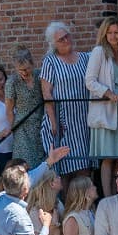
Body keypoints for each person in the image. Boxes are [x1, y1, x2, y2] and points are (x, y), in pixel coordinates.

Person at [85, 15, 118, 196]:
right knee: (107, 158)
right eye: (110, 33)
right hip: (107, 108)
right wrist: (107, 93)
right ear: (104, 34)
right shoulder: (99, 52)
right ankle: (107, 197)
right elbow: (89, 81)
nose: (114, 36)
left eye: (117, 33)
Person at [40, 21, 92, 176]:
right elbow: (47, 93)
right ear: (53, 44)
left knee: (84, 165)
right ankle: (65, 201)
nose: (66, 40)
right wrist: (54, 122)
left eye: (67, 36)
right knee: (64, 167)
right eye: (61, 39)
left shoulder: (85, 58)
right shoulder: (50, 61)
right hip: (62, 121)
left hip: (82, 120)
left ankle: (84, 200)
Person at [6, 49, 46, 170]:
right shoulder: (12, 82)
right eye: (20, 70)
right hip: (22, 128)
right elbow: (9, 110)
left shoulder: (40, 76)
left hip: (41, 124)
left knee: (43, 162)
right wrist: (13, 128)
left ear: (32, 64)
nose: (24, 72)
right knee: (25, 163)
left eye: (27, 68)